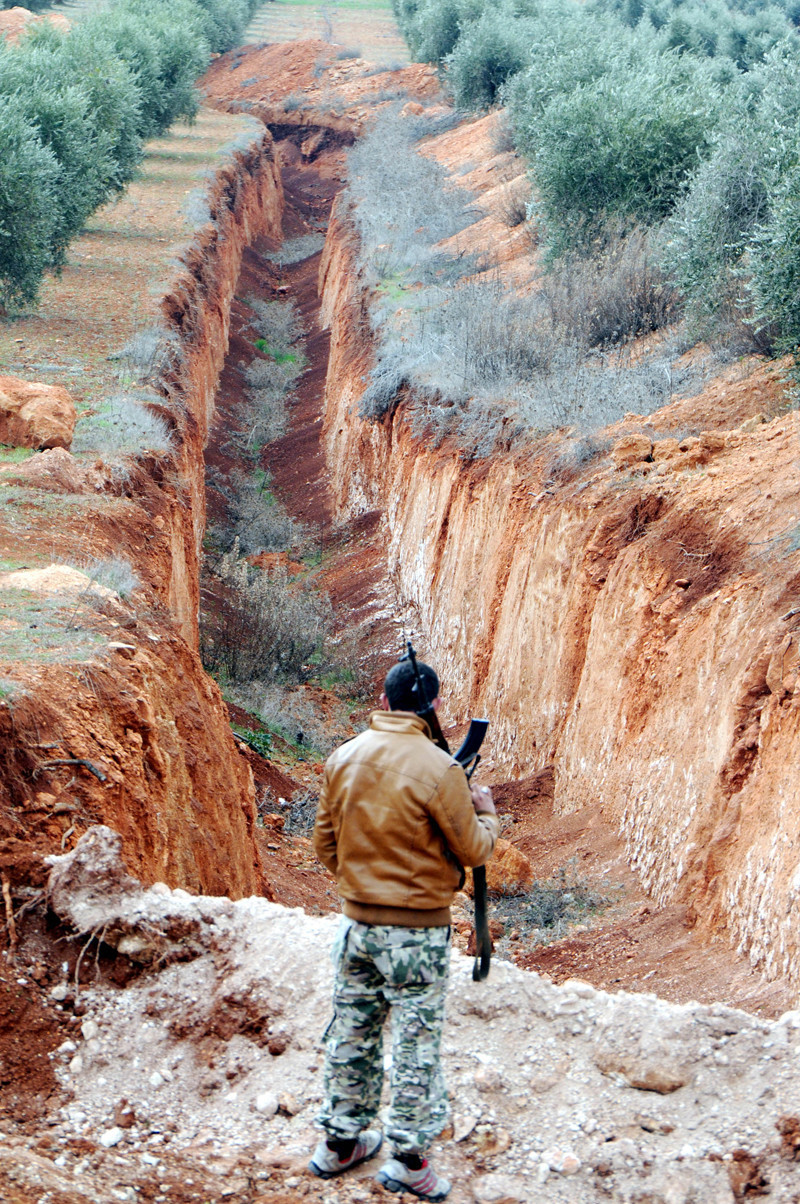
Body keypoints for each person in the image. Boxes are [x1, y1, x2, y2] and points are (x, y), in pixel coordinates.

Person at [309, 657, 498, 1201]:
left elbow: (325, 845)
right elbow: (473, 849)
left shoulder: (342, 758)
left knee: (353, 1030)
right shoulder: (440, 769)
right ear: (434, 707)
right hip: (415, 935)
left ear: (384, 701)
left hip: (356, 926)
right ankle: (410, 1163)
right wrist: (485, 812)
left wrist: (363, 882)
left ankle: (339, 1145)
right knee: (415, 1041)